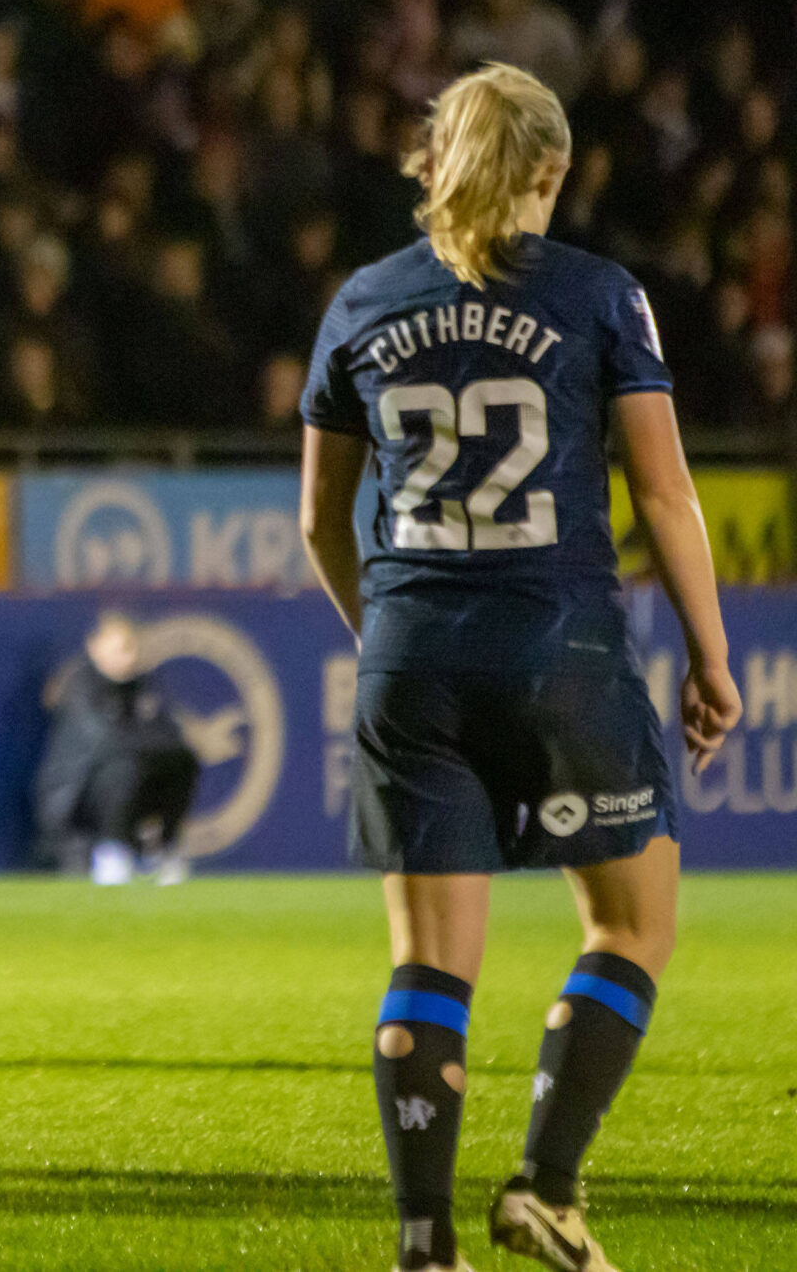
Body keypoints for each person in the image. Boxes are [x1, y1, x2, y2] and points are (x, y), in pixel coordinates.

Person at [298, 63, 742, 1272]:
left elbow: (319, 523)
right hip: (562, 647)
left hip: (409, 655)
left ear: (432, 162)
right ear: (551, 170)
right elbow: (662, 492)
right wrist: (711, 658)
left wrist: (384, 635)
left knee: (427, 958)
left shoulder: (362, 301)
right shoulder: (600, 296)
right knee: (630, 923)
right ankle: (545, 1186)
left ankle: (423, 1244)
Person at [31, 611, 200, 886]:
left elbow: (170, 735)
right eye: (119, 647)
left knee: (181, 760)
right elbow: (105, 742)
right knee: (123, 764)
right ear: (95, 646)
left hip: (133, 789)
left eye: (131, 647)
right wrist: (145, 741)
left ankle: (164, 849)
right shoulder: (78, 685)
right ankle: (112, 851)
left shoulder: (143, 685)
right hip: (77, 800)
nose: (127, 656)